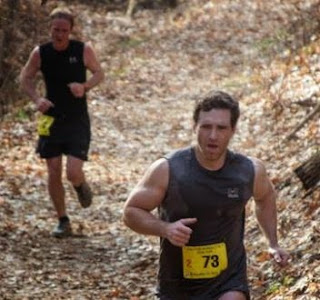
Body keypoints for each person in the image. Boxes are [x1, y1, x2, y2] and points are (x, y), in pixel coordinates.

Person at [123, 90, 290, 299]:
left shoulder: (249, 171)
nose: (213, 136)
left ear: (233, 130)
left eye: (221, 128)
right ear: (194, 127)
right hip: (177, 285)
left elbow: (265, 198)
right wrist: (165, 229)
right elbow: (131, 211)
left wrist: (273, 243)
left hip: (229, 280)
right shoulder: (168, 169)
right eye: (206, 127)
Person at [20, 7, 104, 237]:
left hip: (77, 118)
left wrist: (84, 86)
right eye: (56, 29)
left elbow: (99, 73)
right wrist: (37, 98)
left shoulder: (83, 49)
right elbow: (25, 77)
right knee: (53, 169)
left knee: (73, 172)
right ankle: (62, 220)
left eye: (64, 30)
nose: (59, 34)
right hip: (51, 118)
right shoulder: (40, 53)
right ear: (50, 29)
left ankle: (80, 186)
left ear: (71, 31)